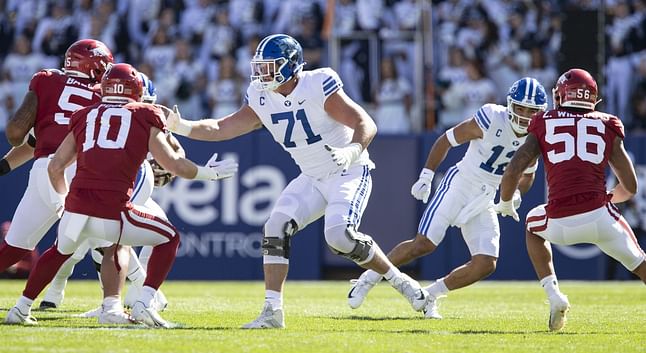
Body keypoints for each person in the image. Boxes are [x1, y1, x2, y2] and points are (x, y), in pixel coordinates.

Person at [164, 33, 430, 329]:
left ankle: (400, 281)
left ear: (290, 66)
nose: (261, 73)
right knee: (275, 227)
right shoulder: (260, 95)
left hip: (348, 171)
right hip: (312, 177)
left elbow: (364, 122)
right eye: (259, 66)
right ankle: (272, 312)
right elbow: (220, 127)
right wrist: (183, 126)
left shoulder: (317, 83)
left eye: (269, 66)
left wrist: (352, 151)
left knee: (339, 237)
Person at [3, 63, 238, 328]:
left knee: (59, 251)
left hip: (78, 204)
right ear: (137, 89)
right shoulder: (144, 114)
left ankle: (21, 308)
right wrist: (210, 174)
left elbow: (56, 166)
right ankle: (143, 303)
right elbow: (174, 164)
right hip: (113, 209)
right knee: (168, 238)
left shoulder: (83, 114)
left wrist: (65, 200)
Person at [347, 77, 547, 319]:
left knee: (486, 263)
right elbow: (447, 139)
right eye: (521, 108)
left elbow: (528, 174)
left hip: (485, 198)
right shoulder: (492, 117)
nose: (525, 115)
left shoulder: (536, 135)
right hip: (461, 182)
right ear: (510, 105)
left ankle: (429, 295)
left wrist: (515, 194)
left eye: (531, 110)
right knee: (424, 244)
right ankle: (367, 279)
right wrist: (426, 175)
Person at [495, 68, 646, 331]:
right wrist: (609, 198)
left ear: (562, 94)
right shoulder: (608, 123)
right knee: (641, 265)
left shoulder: (543, 121)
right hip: (601, 218)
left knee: (532, 226)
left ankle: (555, 296)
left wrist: (506, 202)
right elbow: (630, 186)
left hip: (558, 222)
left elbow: (513, 170)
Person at [39, 73, 175, 315]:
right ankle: (58, 291)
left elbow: (174, 157)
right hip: (107, 183)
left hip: (132, 183)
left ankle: (139, 294)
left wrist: (168, 163)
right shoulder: (100, 117)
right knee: (84, 243)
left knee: (106, 237)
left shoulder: (146, 118)